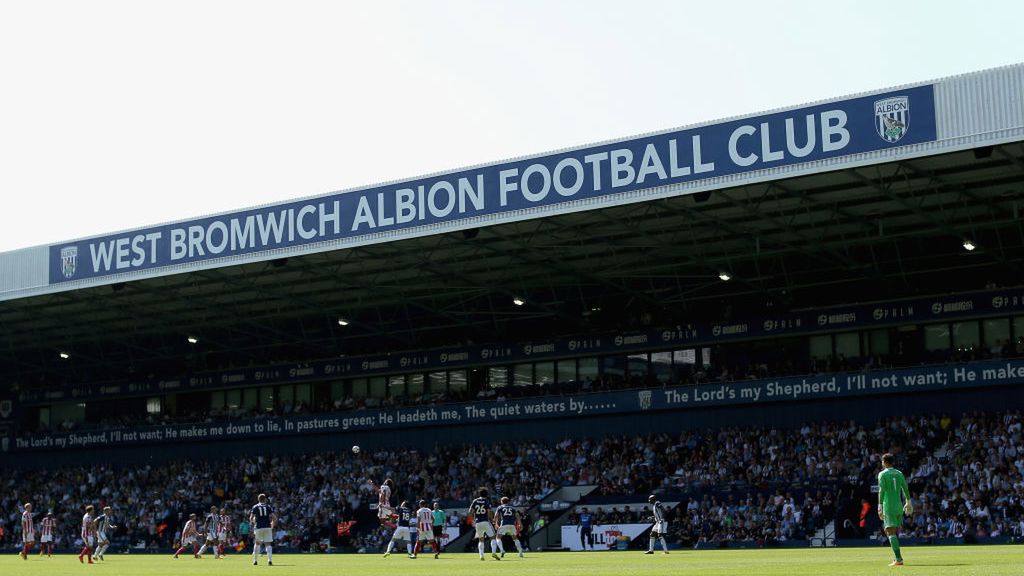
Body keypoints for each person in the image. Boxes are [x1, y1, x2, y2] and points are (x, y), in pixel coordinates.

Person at [878, 453, 912, 567]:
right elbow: (905, 488)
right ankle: (897, 557)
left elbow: (881, 490)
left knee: (890, 532)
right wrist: (908, 501)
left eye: (882, 461)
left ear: (884, 462)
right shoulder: (899, 473)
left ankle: (899, 559)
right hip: (898, 506)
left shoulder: (882, 474)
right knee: (891, 532)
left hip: (889, 506)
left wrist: (879, 505)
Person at [468, 487, 500, 561]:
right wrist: (493, 520)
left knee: (481, 540)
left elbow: (470, 512)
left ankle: (481, 556)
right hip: (485, 521)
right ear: (486, 494)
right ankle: (494, 552)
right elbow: (489, 512)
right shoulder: (486, 501)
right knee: (493, 537)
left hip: (478, 522)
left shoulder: (475, 501)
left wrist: (474, 518)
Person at [250, 493, 277, 566]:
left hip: (259, 527)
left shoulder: (255, 507)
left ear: (258, 499)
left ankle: (255, 561)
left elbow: (251, 518)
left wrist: (253, 524)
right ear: (265, 499)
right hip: (267, 527)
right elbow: (274, 518)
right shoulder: (268, 506)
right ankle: (269, 560)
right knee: (268, 543)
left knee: (257, 543)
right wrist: (272, 524)